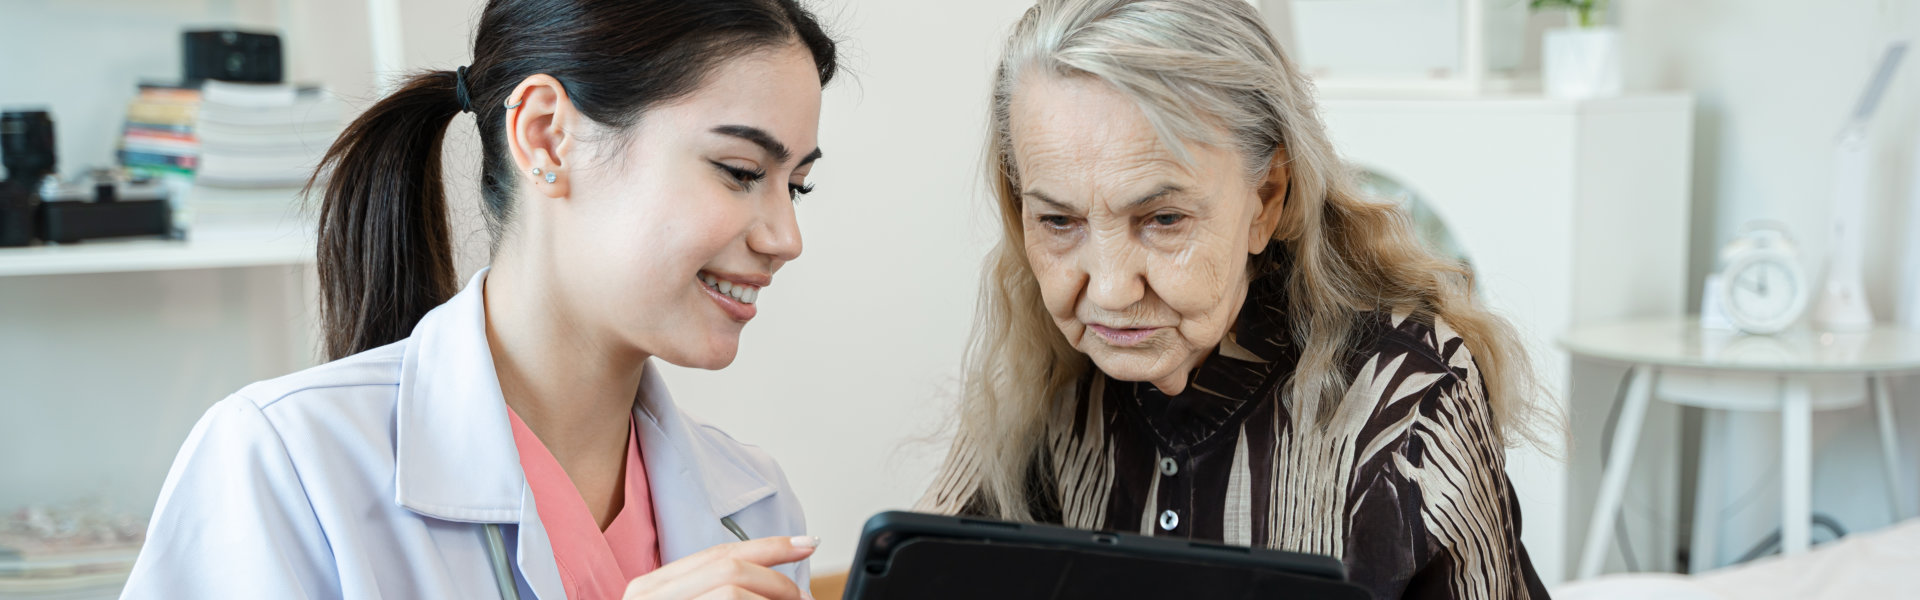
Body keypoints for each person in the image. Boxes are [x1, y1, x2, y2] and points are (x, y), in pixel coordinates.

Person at [122, 1, 837, 598]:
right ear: (546, 137)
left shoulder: (757, 504)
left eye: (796, 186)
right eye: (740, 171)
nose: (786, 238)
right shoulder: (282, 462)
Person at [918, 1, 1555, 598]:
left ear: (1267, 199)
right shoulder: (1041, 369)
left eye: (1164, 219)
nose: (1108, 290)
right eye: (1059, 222)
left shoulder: (1405, 398)